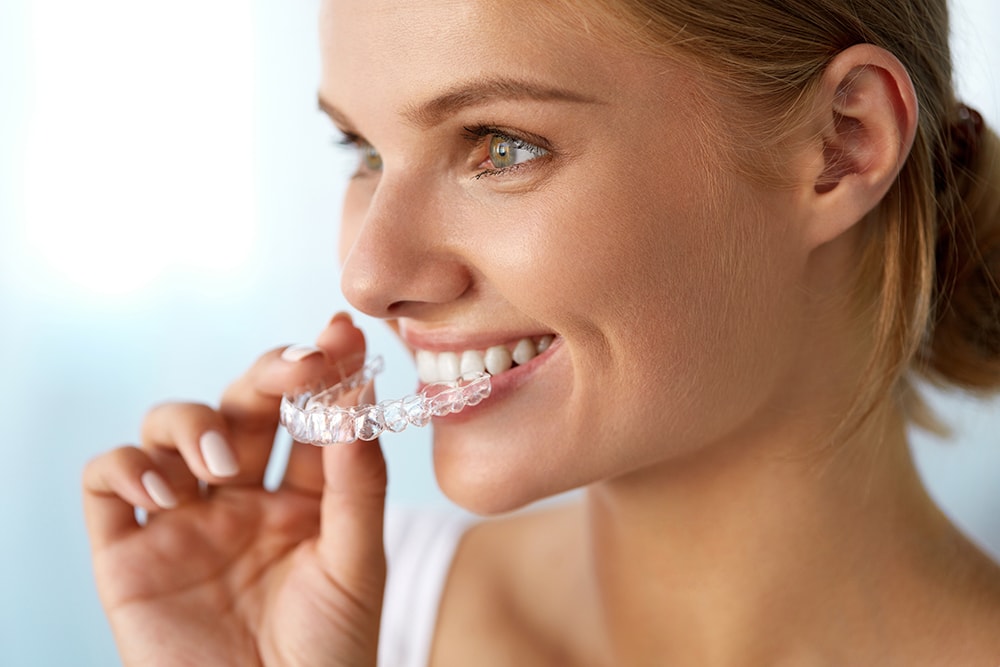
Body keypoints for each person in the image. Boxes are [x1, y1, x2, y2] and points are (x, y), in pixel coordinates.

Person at [83, 0, 1000, 664]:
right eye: (363, 151)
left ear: (842, 143)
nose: (369, 276)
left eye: (501, 144)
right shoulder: (332, 615)